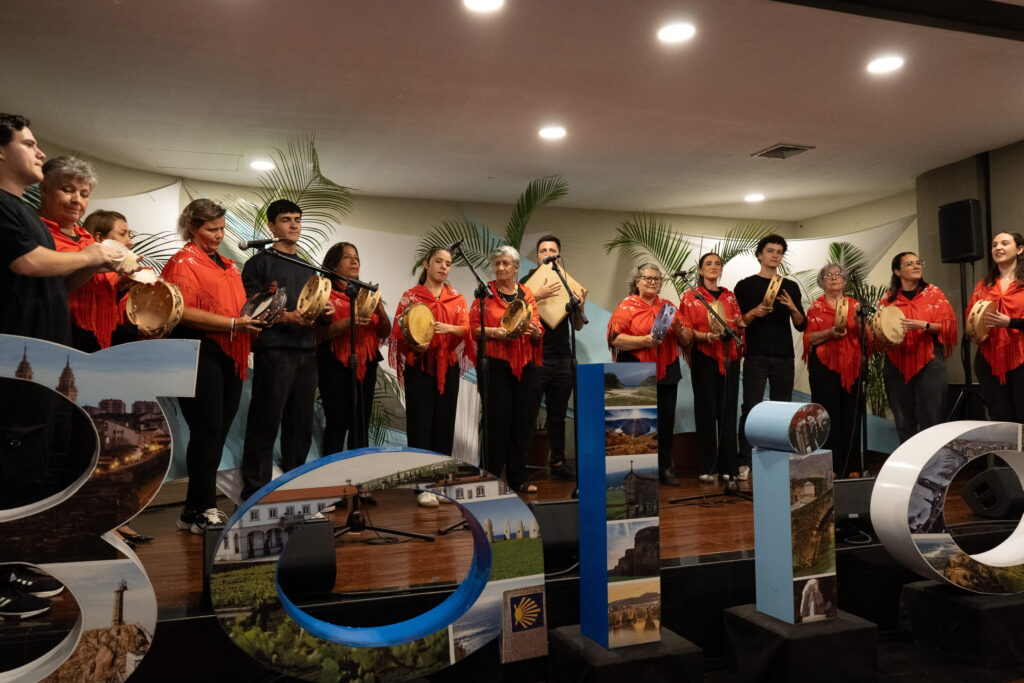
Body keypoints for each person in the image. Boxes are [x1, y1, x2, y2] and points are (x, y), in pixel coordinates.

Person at [161, 199, 261, 534]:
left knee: (216, 433)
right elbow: (179, 310)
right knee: (206, 431)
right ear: (193, 227)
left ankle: (192, 510)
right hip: (198, 351)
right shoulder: (182, 262)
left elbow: (237, 307)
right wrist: (233, 324)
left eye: (221, 228)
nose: (219, 235)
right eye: (211, 229)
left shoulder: (228, 265)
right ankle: (205, 506)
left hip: (229, 352)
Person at [239, 200, 332, 501]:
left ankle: (293, 488)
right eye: (286, 220)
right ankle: (255, 492)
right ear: (271, 226)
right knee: (265, 422)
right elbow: (250, 308)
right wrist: (285, 316)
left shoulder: (309, 267)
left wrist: (325, 312)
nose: (293, 225)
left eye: (297, 220)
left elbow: (318, 311)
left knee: (300, 425)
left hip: (306, 352)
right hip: (274, 351)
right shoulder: (259, 263)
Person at [0, 113, 117, 344]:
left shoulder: (24, 212)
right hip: (15, 348)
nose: (40, 154)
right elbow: (27, 262)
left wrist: (94, 264)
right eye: (29, 144)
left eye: (84, 194)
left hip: (46, 345)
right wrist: (89, 256)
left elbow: (59, 287)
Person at [469, 245, 543, 494]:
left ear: (516, 267)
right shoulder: (485, 292)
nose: (500, 268)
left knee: (522, 422)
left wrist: (536, 332)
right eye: (497, 263)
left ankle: (517, 478)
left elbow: (536, 324)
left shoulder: (526, 293)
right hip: (495, 365)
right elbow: (473, 328)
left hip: (525, 365)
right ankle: (490, 478)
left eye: (506, 263)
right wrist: (494, 333)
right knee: (496, 423)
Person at [735, 234, 806, 480]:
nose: (775, 255)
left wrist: (793, 307)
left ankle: (780, 460)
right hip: (755, 355)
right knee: (751, 407)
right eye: (770, 251)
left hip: (784, 356)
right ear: (759, 255)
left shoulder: (790, 286)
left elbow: (801, 324)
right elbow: (739, 322)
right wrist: (755, 312)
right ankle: (744, 460)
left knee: (783, 409)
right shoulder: (745, 285)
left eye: (779, 252)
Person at [389, 247, 472, 455]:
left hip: (447, 367)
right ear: (426, 264)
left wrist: (448, 328)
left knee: (445, 424)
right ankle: (420, 472)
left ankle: (441, 472)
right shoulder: (411, 296)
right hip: (419, 366)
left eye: (448, 264)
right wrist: (415, 345)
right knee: (419, 424)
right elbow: (398, 332)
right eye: (439, 261)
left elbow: (466, 329)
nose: (444, 267)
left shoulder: (457, 298)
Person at [608, 263, 684, 485]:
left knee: (666, 421)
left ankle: (665, 467)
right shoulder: (626, 306)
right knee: (636, 422)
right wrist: (644, 341)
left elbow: (686, 340)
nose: (652, 282)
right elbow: (615, 339)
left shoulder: (669, 307)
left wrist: (681, 331)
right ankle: (638, 470)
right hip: (636, 371)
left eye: (656, 279)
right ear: (636, 281)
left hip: (667, 370)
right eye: (647, 278)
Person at [39, 157, 125, 351]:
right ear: (44, 190)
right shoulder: (36, 233)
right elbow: (53, 288)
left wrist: (125, 283)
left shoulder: (87, 238)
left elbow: (99, 287)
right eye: (67, 190)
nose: (77, 200)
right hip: (55, 334)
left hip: (98, 335)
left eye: (84, 194)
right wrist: (92, 264)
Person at [519, 235, 587, 480]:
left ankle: (558, 462)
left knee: (558, 415)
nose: (547, 254)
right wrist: (536, 295)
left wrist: (580, 306)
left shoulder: (568, 283)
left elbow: (577, 325)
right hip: (536, 356)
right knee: (529, 413)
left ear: (559, 256)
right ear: (537, 256)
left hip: (563, 357)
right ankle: (520, 466)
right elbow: (515, 317)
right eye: (543, 250)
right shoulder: (525, 284)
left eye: (552, 250)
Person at [317, 242, 390, 454]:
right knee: (337, 423)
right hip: (333, 363)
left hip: (366, 364)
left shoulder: (366, 294)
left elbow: (384, 332)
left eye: (356, 257)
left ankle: (358, 471)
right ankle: (331, 471)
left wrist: (381, 311)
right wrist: (348, 322)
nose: (354, 261)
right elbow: (321, 334)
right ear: (333, 264)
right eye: (347, 257)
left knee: (360, 424)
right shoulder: (324, 293)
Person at [677, 252, 744, 483]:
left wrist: (740, 325)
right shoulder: (691, 296)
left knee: (728, 411)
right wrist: (706, 336)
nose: (714, 267)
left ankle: (729, 467)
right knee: (706, 411)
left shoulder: (730, 296)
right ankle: (707, 466)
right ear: (700, 270)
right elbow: (685, 329)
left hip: (728, 356)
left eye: (717, 263)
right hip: (704, 357)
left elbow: (738, 324)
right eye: (708, 263)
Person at [877, 252, 956, 442]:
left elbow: (949, 327)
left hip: (929, 361)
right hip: (896, 363)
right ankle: (909, 461)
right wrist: (886, 338)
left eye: (918, 262)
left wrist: (924, 325)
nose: (916, 266)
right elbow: (879, 334)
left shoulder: (934, 294)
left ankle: (933, 461)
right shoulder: (888, 300)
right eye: (909, 263)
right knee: (903, 422)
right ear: (897, 271)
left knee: (932, 419)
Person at [802, 263, 860, 477]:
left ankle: (852, 466)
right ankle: (831, 467)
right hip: (823, 366)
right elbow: (809, 338)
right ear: (822, 282)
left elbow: (866, 336)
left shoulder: (855, 305)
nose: (834, 277)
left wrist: (861, 324)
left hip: (851, 366)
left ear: (844, 280)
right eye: (828, 275)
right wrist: (830, 333)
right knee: (826, 415)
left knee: (851, 414)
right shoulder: (815, 307)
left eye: (838, 274)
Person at [968, 232, 1024, 422]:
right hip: (988, 358)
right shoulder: (983, 285)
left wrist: (1011, 322)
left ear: (1020, 249)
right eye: (994, 245)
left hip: (1020, 356)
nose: (998, 247)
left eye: (1004, 243)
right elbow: (971, 318)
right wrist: (976, 334)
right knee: (1000, 417)